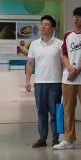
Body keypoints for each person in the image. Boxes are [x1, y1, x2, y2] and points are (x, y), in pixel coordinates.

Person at [55, 7, 81, 152]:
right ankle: (68, 139)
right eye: (74, 16)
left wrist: (77, 70)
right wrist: (69, 68)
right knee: (68, 111)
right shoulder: (67, 35)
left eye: (79, 16)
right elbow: (64, 54)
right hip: (68, 79)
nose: (75, 19)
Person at [24, 15, 62, 148]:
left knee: (55, 112)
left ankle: (56, 139)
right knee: (41, 112)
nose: (43, 27)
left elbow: (63, 63)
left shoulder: (60, 44)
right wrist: (27, 80)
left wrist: (64, 80)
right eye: (42, 24)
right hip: (39, 82)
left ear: (52, 28)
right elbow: (30, 63)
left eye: (46, 25)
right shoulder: (34, 44)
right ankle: (42, 137)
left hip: (55, 82)